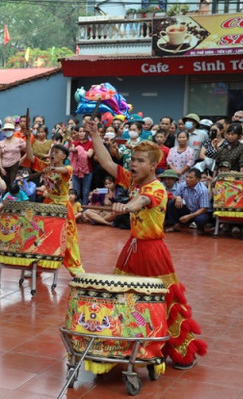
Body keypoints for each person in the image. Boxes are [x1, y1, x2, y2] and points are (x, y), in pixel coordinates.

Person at [87, 119, 207, 371]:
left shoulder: (158, 188)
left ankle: (181, 350)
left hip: (153, 253)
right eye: (133, 159)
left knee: (165, 301)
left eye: (140, 161)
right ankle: (127, 343)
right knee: (124, 298)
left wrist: (124, 207)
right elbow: (108, 163)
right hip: (132, 249)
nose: (133, 164)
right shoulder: (132, 180)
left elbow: (141, 202)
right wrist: (95, 135)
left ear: (154, 165)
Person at [21, 123, 85, 277]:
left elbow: (63, 170)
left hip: (62, 206)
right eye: (51, 152)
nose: (52, 154)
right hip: (48, 204)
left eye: (56, 152)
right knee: (41, 234)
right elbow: (30, 157)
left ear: (64, 156)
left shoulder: (67, 169)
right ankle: (38, 267)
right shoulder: (45, 165)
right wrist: (28, 139)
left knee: (68, 238)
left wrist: (53, 169)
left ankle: (76, 269)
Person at [165, 169, 211, 233]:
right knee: (172, 203)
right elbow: (175, 196)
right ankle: (176, 225)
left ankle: (200, 228)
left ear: (197, 179)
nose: (187, 179)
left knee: (201, 219)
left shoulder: (203, 190)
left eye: (190, 178)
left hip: (200, 212)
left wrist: (189, 216)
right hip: (189, 209)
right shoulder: (183, 185)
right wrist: (178, 197)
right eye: (186, 177)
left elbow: (204, 209)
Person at [0, 121, 26, 191]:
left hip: (15, 165)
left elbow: (28, 151)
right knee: (5, 186)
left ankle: (14, 200)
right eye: (6, 130)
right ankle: (6, 199)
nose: (8, 131)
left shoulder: (19, 141)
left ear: (13, 131)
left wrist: (22, 159)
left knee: (14, 184)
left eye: (9, 129)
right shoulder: (0, 143)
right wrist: (1, 168)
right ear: (3, 131)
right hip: (4, 167)